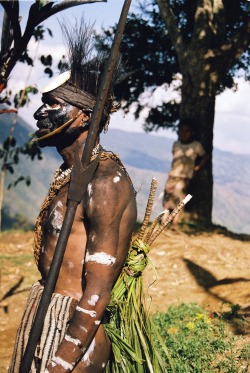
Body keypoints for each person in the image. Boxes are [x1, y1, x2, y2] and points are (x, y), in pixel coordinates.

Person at [9, 23, 137, 372]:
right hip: (45, 315)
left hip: (72, 333)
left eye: (53, 105)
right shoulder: (73, 175)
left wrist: (62, 361)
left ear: (84, 116)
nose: (39, 114)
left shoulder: (106, 183)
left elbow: (97, 291)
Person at [162, 118, 208, 228]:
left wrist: (197, 168)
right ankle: (163, 224)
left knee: (179, 201)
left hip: (184, 178)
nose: (184, 133)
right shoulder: (176, 144)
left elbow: (204, 157)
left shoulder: (196, 146)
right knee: (167, 201)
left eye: (187, 131)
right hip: (172, 176)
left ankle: (174, 225)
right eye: (182, 131)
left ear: (192, 132)